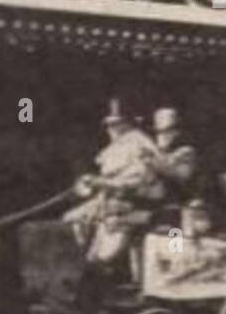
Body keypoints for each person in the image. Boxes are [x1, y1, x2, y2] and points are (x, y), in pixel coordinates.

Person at [62, 100, 165, 281]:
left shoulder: (140, 145)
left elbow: (137, 181)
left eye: (115, 124)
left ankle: (107, 275)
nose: (111, 128)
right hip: (109, 203)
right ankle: (82, 269)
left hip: (135, 206)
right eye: (109, 124)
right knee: (71, 219)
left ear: (127, 124)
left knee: (106, 252)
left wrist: (101, 183)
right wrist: (90, 184)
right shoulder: (116, 147)